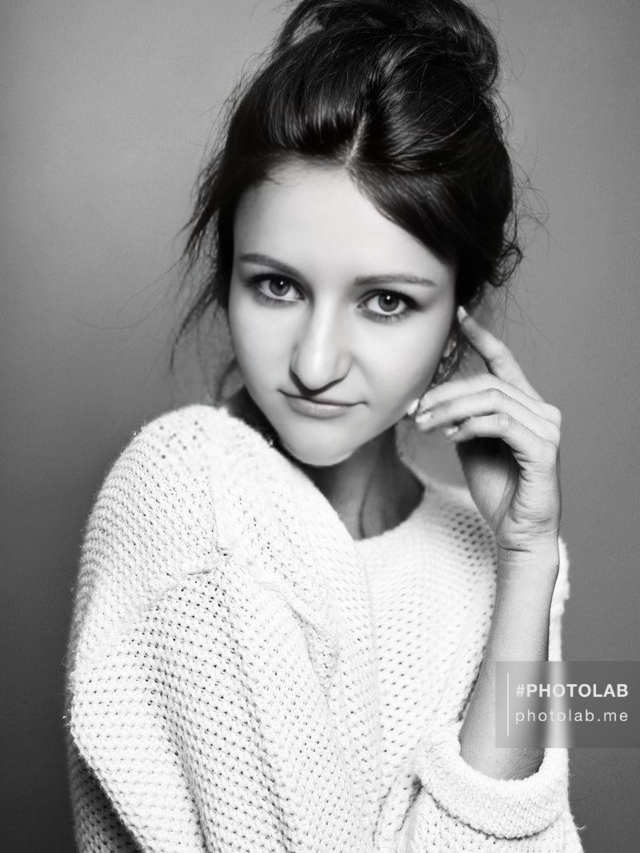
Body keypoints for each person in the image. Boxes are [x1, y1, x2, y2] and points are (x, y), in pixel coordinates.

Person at [64, 0, 585, 850]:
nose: (313, 362)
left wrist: (528, 562)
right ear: (228, 272)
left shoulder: (496, 542)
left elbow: (547, 822)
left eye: (385, 301)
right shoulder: (193, 497)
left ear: (458, 315)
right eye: (277, 285)